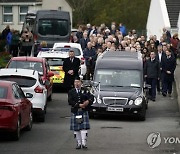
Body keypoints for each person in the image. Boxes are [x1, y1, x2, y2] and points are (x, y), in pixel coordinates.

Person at [68, 76, 94, 149]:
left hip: (83, 111)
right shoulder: (71, 92)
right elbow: (70, 101)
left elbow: (92, 97)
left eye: (78, 82)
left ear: (81, 83)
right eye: (75, 82)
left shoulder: (85, 90)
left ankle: (84, 143)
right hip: (75, 111)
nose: (77, 84)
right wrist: (79, 105)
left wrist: (88, 102)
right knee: (76, 129)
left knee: (83, 128)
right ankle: (78, 143)